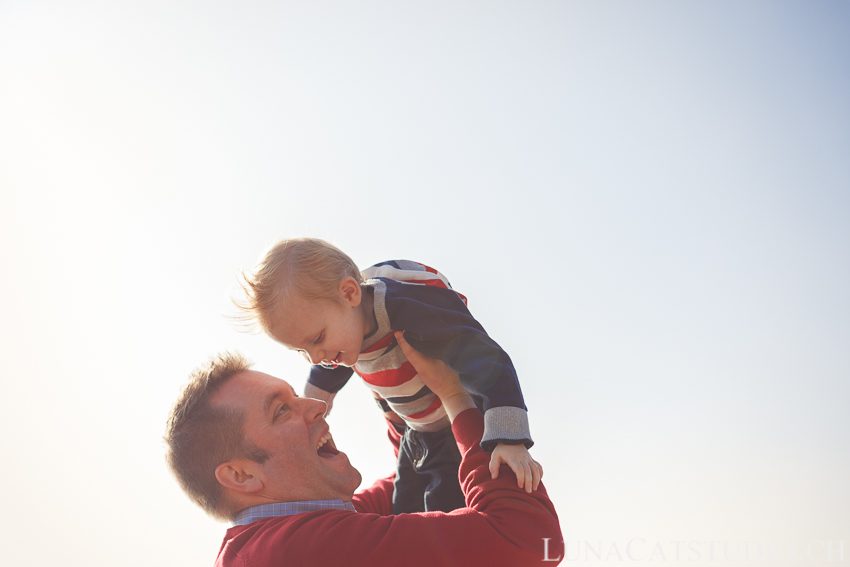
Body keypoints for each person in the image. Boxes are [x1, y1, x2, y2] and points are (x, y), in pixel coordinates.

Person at [165, 332, 563, 566]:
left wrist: (403, 399)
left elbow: (404, 487)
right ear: (241, 475)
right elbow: (529, 540)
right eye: (281, 410)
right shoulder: (304, 551)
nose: (316, 405)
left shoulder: (265, 544)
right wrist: (456, 399)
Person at [239, 237, 541, 513]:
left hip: (450, 434)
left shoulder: (411, 311)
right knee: (403, 508)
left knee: (442, 513)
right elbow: (326, 374)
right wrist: (313, 405)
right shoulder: (344, 332)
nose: (316, 357)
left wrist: (509, 439)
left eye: (317, 339)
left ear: (350, 293)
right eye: (301, 350)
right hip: (415, 435)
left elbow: (486, 361)